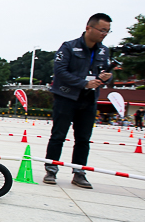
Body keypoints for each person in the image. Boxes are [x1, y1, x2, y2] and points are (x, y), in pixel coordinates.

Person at [43, 13, 114, 189]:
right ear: (89, 27)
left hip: (89, 100)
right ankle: (51, 169)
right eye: (102, 30)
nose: (104, 34)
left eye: (108, 31)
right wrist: (83, 83)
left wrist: (106, 78)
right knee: (58, 135)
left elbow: (106, 74)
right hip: (66, 97)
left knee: (83, 139)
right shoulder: (69, 47)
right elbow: (60, 71)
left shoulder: (104, 51)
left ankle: (79, 172)